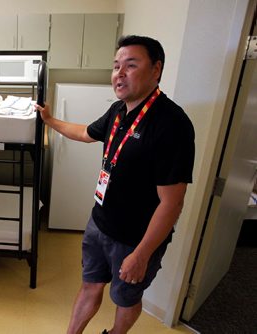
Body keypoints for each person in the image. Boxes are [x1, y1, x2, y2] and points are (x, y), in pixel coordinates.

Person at [35, 35, 195, 334]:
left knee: (125, 298)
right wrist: (50, 120)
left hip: (134, 239)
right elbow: (85, 132)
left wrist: (142, 254)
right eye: (116, 66)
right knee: (89, 286)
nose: (119, 73)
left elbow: (172, 202)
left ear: (156, 70)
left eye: (130, 65)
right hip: (99, 223)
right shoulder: (118, 110)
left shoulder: (172, 125)